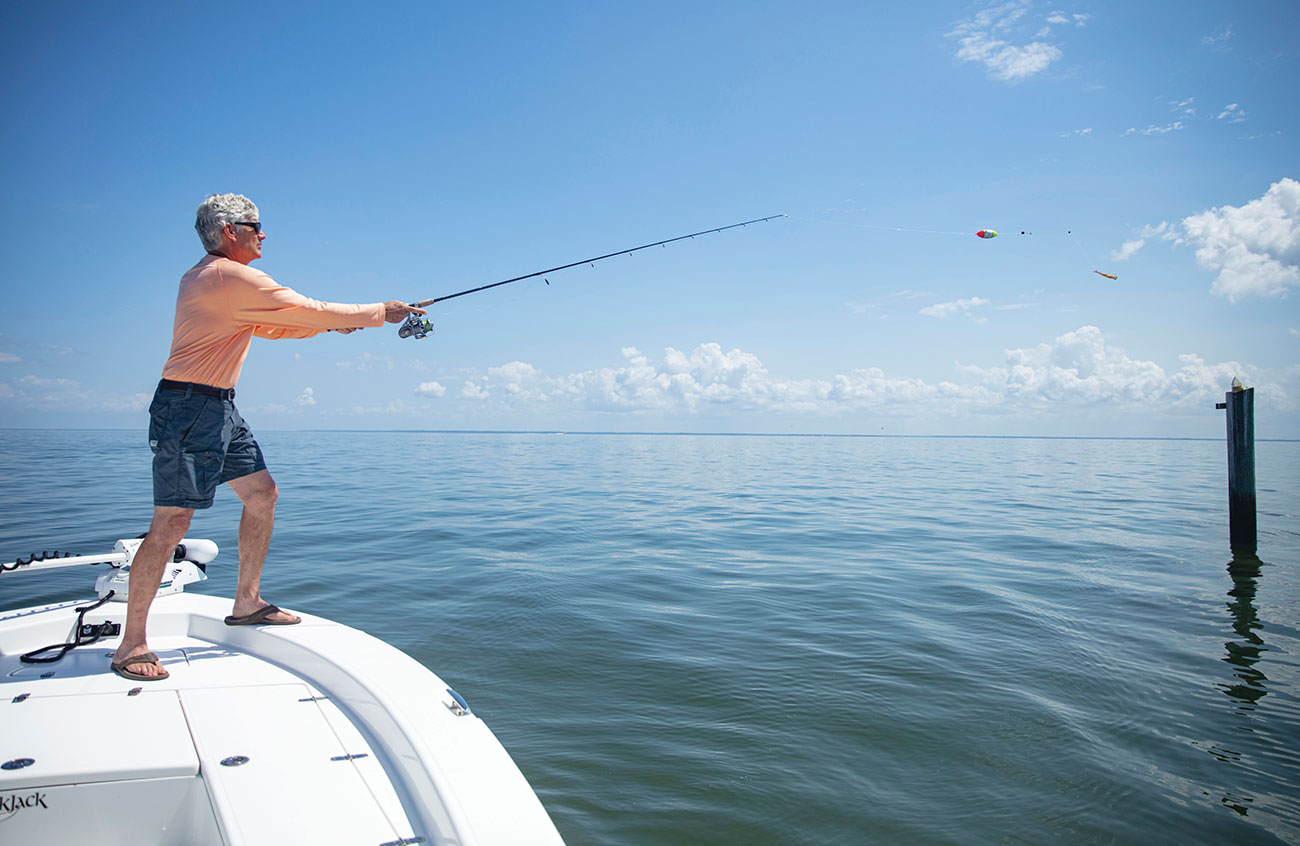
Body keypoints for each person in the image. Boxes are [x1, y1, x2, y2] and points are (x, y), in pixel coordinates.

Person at [109, 193, 425, 682]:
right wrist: (376, 312)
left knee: (261, 495)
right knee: (171, 524)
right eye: (255, 226)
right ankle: (131, 643)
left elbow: (274, 325)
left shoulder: (213, 279)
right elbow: (304, 308)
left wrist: (333, 327)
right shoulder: (225, 274)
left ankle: (247, 601)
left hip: (217, 406)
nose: (263, 234)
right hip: (189, 407)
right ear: (229, 231)